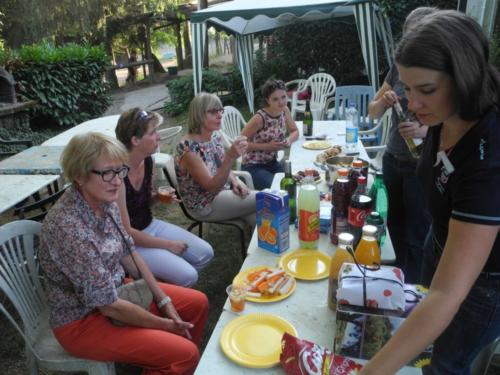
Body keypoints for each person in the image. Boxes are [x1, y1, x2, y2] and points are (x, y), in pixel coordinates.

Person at [361, 10, 500, 374]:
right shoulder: (443, 113)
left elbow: (445, 295)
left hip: (485, 284)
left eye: (425, 90)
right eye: (407, 88)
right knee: (423, 351)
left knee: (444, 365)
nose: (412, 103)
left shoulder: (489, 157)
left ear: (465, 77)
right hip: (437, 242)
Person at [39, 132, 208, 375]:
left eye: (120, 171)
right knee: (184, 355)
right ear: (78, 175)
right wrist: (165, 325)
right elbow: (108, 306)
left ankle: (175, 361)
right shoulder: (68, 228)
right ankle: (177, 359)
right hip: (81, 321)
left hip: (118, 291)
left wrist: (164, 301)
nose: (117, 181)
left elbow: (129, 251)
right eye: (107, 172)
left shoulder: (103, 199)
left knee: (197, 304)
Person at [367, 7, 435, 283]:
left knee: (416, 233)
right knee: (391, 227)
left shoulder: (440, 70)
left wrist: (425, 128)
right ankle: (393, 284)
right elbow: (372, 111)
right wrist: (384, 102)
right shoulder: (398, 67)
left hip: (421, 163)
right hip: (393, 158)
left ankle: (414, 292)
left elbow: (459, 119)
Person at [115, 108, 214, 287]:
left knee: (206, 253)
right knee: (189, 275)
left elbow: (143, 202)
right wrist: (167, 244)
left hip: (149, 225)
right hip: (129, 244)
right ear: (135, 140)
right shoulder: (117, 175)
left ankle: (163, 287)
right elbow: (126, 232)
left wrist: (158, 198)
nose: (158, 136)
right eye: (152, 133)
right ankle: (162, 294)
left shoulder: (147, 160)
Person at [175, 92, 256, 227]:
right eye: (213, 112)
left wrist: (235, 182)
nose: (220, 115)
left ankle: (263, 244)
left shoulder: (214, 136)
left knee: (257, 215)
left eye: (220, 110)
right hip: (205, 204)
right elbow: (212, 188)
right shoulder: (187, 149)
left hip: (222, 191)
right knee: (266, 199)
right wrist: (230, 156)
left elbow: (221, 164)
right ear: (199, 115)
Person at [240, 79, 299, 190]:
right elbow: (239, 143)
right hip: (253, 166)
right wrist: (267, 147)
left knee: (294, 183)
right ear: (268, 100)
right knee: (280, 189)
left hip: (272, 162)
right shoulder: (260, 118)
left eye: (283, 97)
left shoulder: (284, 110)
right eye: (275, 99)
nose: (281, 102)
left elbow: (295, 131)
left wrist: (289, 140)